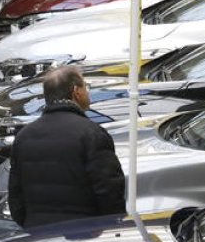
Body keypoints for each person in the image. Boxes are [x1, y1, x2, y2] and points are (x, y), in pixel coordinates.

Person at [7, 66, 126, 229]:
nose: (87, 92)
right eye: (86, 87)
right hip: (84, 235)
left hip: (38, 236)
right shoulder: (92, 134)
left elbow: (16, 196)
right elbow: (109, 191)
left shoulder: (24, 137)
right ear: (76, 91)